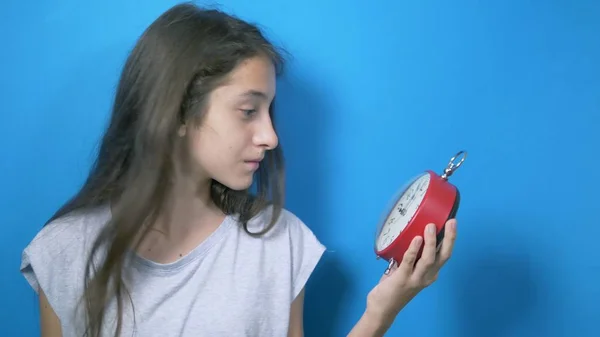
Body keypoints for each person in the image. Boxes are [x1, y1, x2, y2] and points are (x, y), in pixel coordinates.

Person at [20, 3, 457, 337]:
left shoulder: (278, 242)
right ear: (176, 114)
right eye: (248, 110)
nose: (270, 136)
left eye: (269, 111)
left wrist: (382, 312)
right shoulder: (65, 253)